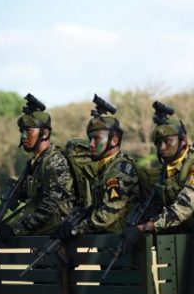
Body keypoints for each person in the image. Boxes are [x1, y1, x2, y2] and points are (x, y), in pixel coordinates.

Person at [55, 96, 140, 238]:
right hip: (109, 240)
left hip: (121, 241)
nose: (91, 145)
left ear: (114, 140)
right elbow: (95, 207)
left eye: (97, 139)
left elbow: (109, 213)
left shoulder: (120, 169)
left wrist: (75, 230)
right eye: (90, 139)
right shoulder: (104, 167)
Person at [0, 94, 76, 241]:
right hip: (43, 237)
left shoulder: (55, 160)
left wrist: (16, 229)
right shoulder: (35, 163)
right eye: (22, 131)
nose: (23, 136)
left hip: (56, 237)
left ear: (45, 133)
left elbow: (50, 207)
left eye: (29, 130)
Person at [135, 101, 194, 234]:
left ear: (183, 140)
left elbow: (184, 207)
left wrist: (146, 227)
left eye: (168, 141)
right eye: (159, 143)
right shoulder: (167, 170)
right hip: (184, 236)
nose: (162, 147)